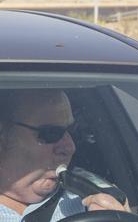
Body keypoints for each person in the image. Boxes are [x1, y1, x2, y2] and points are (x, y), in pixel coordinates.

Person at [0, 89, 128, 222]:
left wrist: (123, 217)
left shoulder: (94, 199)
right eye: (51, 133)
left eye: (73, 131)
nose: (70, 147)